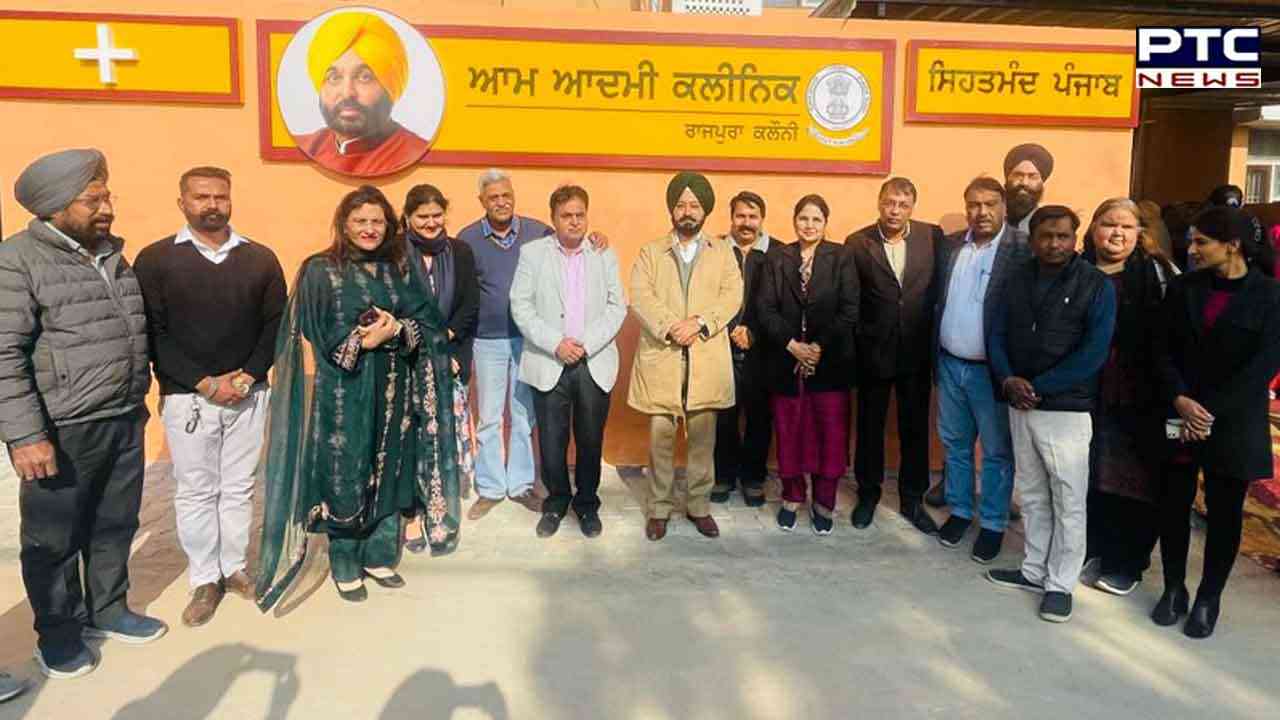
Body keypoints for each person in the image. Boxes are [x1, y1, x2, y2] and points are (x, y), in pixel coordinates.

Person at [0, 149, 164, 679]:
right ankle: (59, 634)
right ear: (54, 207)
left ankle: (109, 609)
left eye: (107, 197)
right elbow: (3, 354)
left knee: (115, 523)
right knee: (53, 539)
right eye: (93, 200)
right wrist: (25, 435)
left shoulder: (111, 255)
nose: (107, 208)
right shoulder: (18, 260)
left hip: (123, 415)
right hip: (59, 428)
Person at [255, 185, 459, 609]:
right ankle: (345, 560)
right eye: (360, 221)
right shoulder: (320, 269)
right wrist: (362, 342)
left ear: (389, 225)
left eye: (377, 221)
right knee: (345, 471)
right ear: (344, 225)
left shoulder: (399, 267)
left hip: (396, 391)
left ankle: (379, 555)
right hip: (345, 392)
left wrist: (398, 331)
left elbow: (428, 321)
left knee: (392, 466)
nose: (369, 229)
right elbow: (315, 328)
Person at [133, 167, 287, 628]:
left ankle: (234, 569)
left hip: (248, 394)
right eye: (201, 197)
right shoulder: (156, 260)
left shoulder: (259, 259)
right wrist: (204, 382)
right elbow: (152, 334)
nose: (212, 205)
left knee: (239, 487)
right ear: (182, 202)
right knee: (197, 490)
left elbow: (275, 325)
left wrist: (249, 376)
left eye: (220, 196)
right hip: (189, 399)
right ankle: (204, 578)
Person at [1153, 206, 1280, 638]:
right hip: (1180, 413)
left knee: (1225, 514)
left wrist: (1208, 413)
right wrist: (1180, 399)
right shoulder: (1183, 288)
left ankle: (1209, 597)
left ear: (1233, 245)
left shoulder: (1270, 296)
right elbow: (1160, 350)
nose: (1192, 249)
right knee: (1173, 504)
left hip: (1232, 421)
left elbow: (1262, 368)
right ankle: (1173, 588)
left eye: (1201, 242)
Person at [985, 206, 1117, 624]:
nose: (1054, 243)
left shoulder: (1095, 284)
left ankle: (1060, 584)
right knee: (1032, 493)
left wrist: (1039, 386)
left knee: (1068, 499)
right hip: (1019, 402)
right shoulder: (1017, 277)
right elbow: (996, 332)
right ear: (1033, 239)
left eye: (1063, 236)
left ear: (1076, 238)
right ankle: (1033, 570)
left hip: (1065, 409)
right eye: (1046, 236)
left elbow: (1094, 352)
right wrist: (1007, 378)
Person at [628, 171, 743, 541]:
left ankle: (698, 506)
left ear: (705, 210)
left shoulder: (723, 252)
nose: (688, 211)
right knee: (660, 439)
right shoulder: (650, 252)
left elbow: (732, 296)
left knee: (703, 440)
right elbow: (640, 295)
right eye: (681, 205)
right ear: (671, 210)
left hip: (705, 356)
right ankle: (659, 509)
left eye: (694, 205)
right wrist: (670, 326)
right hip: (663, 354)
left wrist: (699, 323)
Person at [510, 185, 626, 538]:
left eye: (580, 215)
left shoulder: (603, 253)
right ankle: (556, 501)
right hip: (550, 360)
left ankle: (587, 504)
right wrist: (556, 344)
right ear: (554, 218)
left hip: (593, 362)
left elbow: (617, 306)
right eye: (566, 216)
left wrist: (586, 344)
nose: (574, 222)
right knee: (551, 440)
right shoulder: (533, 254)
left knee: (590, 439)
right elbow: (521, 305)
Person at [1079, 198, 1178, 596]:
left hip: (1139, 393)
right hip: (1086, 390)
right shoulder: (1078, 270)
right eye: (1108, 224)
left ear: (1140, 233)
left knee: (1135, 478)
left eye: (1126, 226)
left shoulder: (1158, 275)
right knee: (1092, 474)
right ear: (1093, 229)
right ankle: (1097, 549)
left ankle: (1129, 561)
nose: (1116, 233)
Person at [934, 177, 1029, 564]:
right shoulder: (952, 245)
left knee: (996, 452)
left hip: (991, 372)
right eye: (974, 204)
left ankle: (992, 523)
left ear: (1003, 206)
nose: (982, 212)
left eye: (990, 204)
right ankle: (959, 511)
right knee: (955, 445)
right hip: (949, 364)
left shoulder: (1021, 248)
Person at [846, 177, 943, 534]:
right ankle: (868, 494)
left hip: (916, 350)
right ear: (879, 202)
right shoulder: (858, 242)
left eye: (903, 205)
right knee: (869, 427)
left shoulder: (932, 238)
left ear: (912, 207)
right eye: (889, 203)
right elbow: (852, 299)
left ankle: (912, 499)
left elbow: (939, 290)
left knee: (914, 428)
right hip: (873, 351)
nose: (895, 211)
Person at [756, 195, 858, 534]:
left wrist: (817, 347)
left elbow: (849, 309)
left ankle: (824, 501)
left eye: (816, 219)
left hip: (829, 362)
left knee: (830, 433)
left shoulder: (841, 257)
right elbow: (765, 308)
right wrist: (792, 346)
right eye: (803, 218)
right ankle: (792, 496)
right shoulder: (778, 257)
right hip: (785, 361)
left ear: (825, 223)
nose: (809, 225)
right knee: (790, 431)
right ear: (794, 221)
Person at [457, 170, 553, 519]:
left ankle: (522, 484)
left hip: (528, 340)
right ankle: (491, 488)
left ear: (514, 196)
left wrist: (596, 239)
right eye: (494, 197)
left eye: (506, 195)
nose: (501, 202)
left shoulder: (538, 233)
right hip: (487, 341)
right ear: (482, 201)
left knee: (523, 415)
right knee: (489, 417)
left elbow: (569, 248)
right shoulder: (468, 239)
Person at [400, 184, 478, 553]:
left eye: (436, 215)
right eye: (422, 217)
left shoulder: (459, 252)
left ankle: (440, 515)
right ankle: (412, 517)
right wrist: (419, 340)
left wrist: (449, 345)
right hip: (406, 359)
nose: (431, 223)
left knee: (441, 441)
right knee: (410, 442)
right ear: (408, 218)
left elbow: (469, 304)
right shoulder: (395, 254)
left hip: (447, 358)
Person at [295, 11, 430, 176]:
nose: (347, 93)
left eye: (364, 77)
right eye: (334, 78)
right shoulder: (303, 147)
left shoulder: (417, 155)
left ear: (390, 86)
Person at [713, 191, 773, 507]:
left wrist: (753, 332)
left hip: (763, 350)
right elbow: (705, 296)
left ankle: (753, 478)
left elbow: (782, 302)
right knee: (723, 416)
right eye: (740, 216)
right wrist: (728, 330)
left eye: (752, 216)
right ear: (731, 218)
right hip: (720, 346)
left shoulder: (777, 253)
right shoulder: (714, 250)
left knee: (760, 417)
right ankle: (723, 475)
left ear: (762, 219)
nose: (746, 223)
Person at [1003, 143, 1054, 234]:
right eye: (1018, 175)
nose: (1024, 182)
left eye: (1032, 177)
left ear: (1042, 182)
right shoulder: (990, 222)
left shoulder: (1048, 227)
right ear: (1007, 179)